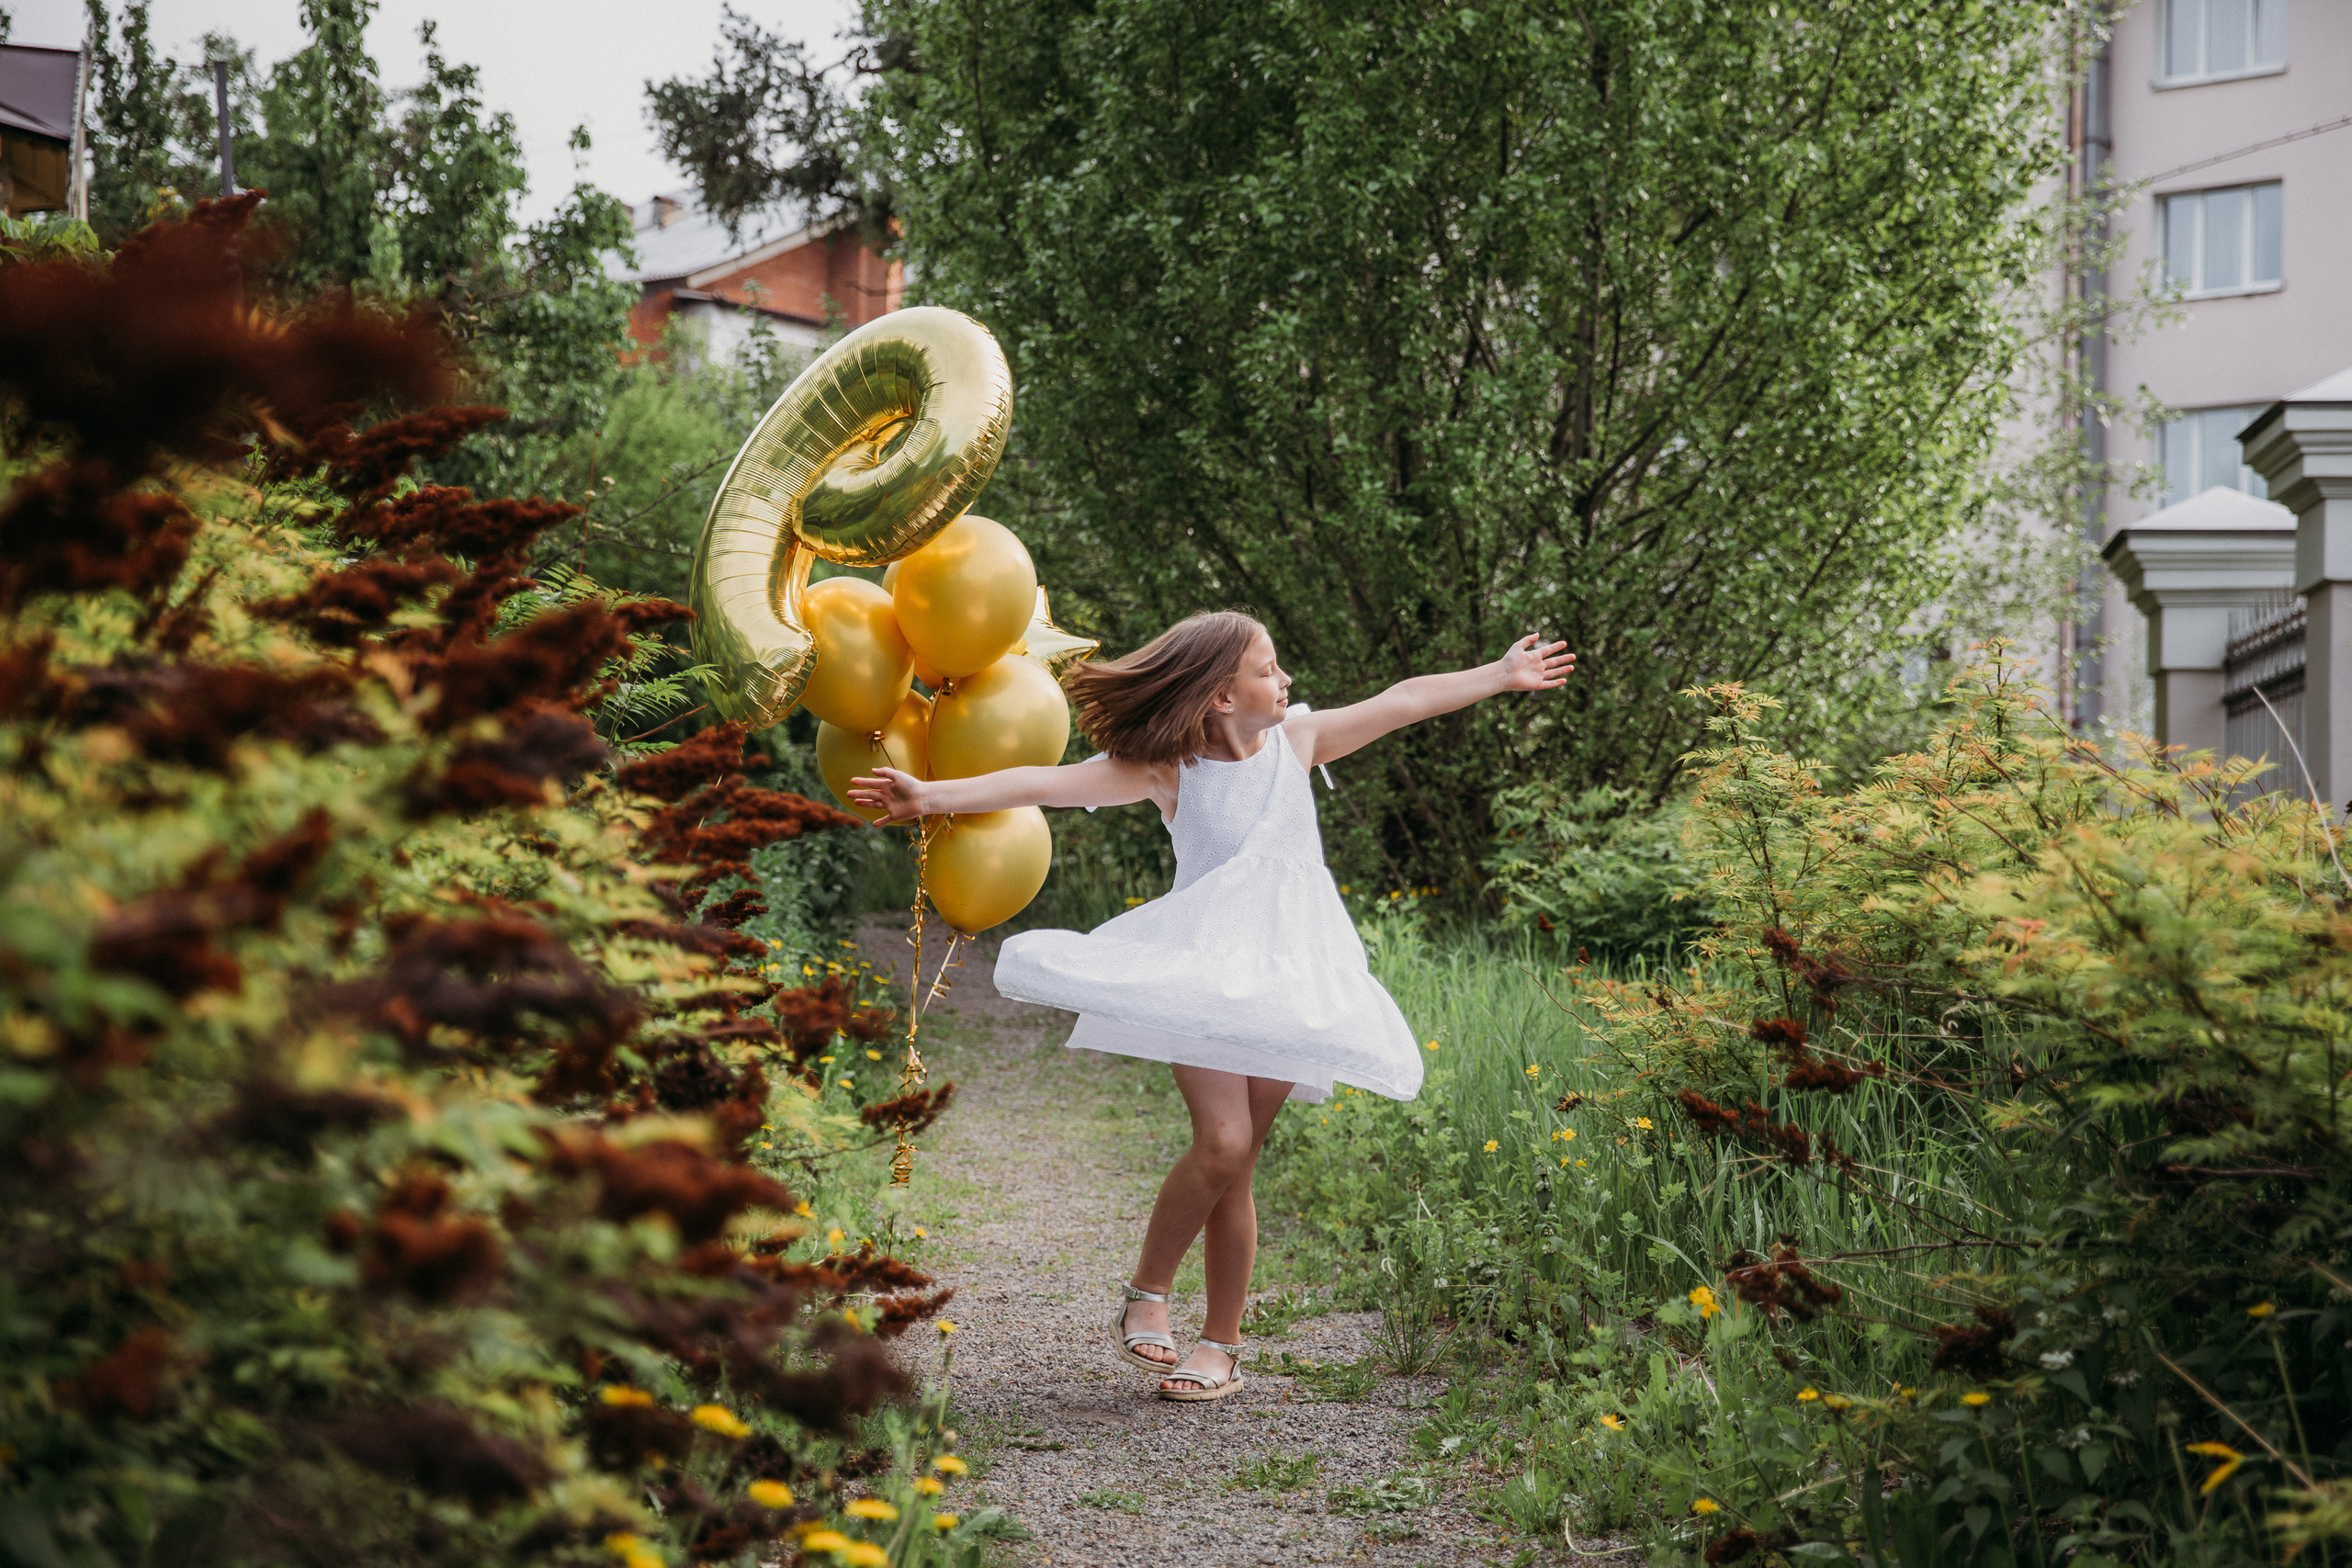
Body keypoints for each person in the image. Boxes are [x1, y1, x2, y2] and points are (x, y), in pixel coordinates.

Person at [849, 613, 1575, 1401]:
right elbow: (1042, 783)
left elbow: (1402, 698)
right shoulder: (1171, 770)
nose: (1286, 681)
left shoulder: (1298, 745)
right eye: (1270, 668)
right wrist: (929, 796)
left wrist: (1499, 675)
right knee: (1222, 1141)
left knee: (1238, 1168)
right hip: (1200, 976)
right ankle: (1148, 1290)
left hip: (1288, 982)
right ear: (1224, 694)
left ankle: (1222, 1343)